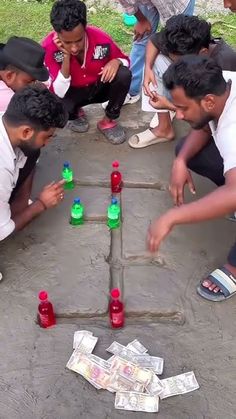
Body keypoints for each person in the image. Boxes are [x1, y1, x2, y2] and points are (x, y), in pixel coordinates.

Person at [147, 56, 236, 302]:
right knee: (186, 150)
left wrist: (173, 216)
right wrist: (180, 161)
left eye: (183, 108)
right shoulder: (225, 86)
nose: (179, 116)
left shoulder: (233, 130)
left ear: (208, 101)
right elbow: (206, 126)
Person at [129, 14, 236, 148]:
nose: (175, 66)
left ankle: (178, 106)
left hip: (219, 115)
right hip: (198, 95)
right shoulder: (177, 41)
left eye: (179, 61)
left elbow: (215, 114)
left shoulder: (225, 63)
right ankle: (164, 129)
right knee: (155, 61)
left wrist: (169, 105)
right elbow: (154, 40)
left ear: (203, 53)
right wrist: (148, 70)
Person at [42, 0, 132, 145]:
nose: (74, 48)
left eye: (78, 40)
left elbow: (126, 60)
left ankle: (108, 120)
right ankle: (76, 113)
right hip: (71, 93)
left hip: (98, 89)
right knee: (59, 106)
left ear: (85, 29)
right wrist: (66, 57)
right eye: (67, 42)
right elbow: (57, 92)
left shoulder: (100, 38)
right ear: (56, 33)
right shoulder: (48, 48)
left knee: (123, 74)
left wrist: (117, 62)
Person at [0, 86, 68, 258]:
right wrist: (41, 204)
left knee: (33, 150)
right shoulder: (2, 168)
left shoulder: (6, 121)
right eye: (47, 136)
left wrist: (23, 204)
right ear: (26, 131)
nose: (47, 143)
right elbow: (3, 230)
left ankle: (17, 207)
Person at [118, 0, 195, 106]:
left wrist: (171, 37)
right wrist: (141, 19)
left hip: (175, 4)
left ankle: (173, 99)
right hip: (147, 2)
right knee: (141, 38)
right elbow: (125, 2)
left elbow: (173, 28)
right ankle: (131, 90)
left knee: (178, 46)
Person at [0, 36, 49, 114]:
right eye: (29, 82)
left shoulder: (9, 69)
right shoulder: (6, 99)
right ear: (9, 76)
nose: (32, 86)